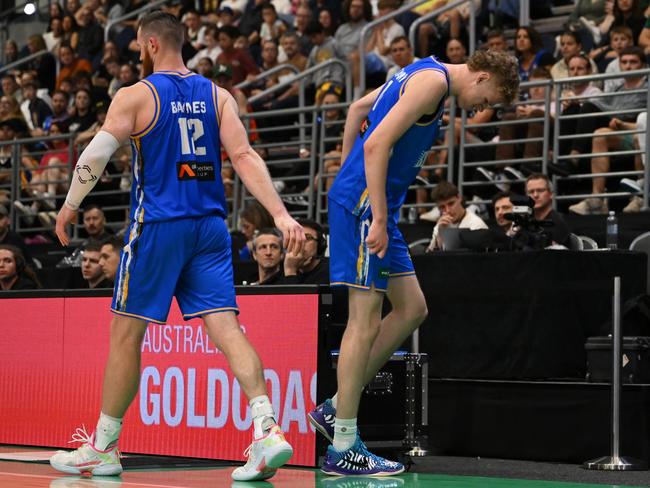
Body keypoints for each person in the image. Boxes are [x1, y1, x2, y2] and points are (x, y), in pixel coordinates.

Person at [49, 11, 303, 482]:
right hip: (210, 227)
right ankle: (267, 428)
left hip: (160, 225)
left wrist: (68, 205)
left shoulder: (136, 95)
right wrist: (281, 213)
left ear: (148, 44)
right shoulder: (217, 94)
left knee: (126, 334)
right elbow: (245, 156)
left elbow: (98, 152)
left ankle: (104, 448)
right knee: (227, 327)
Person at [308, 49, 519, 475]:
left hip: (369, 202)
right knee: (364, 321)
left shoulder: (424, 69)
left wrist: (347, 176)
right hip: (369, 208)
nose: (484, 108)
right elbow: (378, 143)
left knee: (412, 308)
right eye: (490, 98)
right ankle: (343, 444)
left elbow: (357, 109)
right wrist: (375, 212)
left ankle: (334, 407)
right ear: (480, 77)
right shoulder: (433, 83)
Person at [426, 180, 489, 251]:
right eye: (442, 207)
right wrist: (439, 234)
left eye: (451, 204)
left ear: (459, 198)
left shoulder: (477, 225)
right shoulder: (440, 224)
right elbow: (429, 255)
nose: (448, 210)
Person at [525, 173, 570, 247]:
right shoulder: (525, 222)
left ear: (551, 194)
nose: (535, 195)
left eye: (540, 190)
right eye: (531, 192)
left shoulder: (559, 222)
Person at [281, 218, 330, 284]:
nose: (300, 243)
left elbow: (298, 294)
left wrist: (290, 271)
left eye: (307, 238)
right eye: (295, 238)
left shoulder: (331, 270)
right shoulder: (283, 268)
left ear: (320, 244)